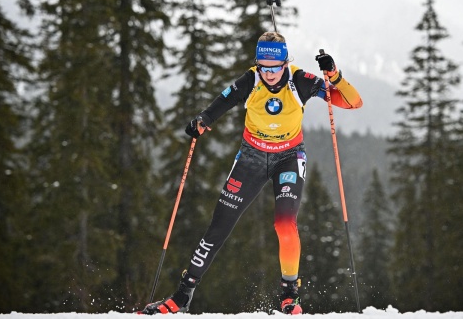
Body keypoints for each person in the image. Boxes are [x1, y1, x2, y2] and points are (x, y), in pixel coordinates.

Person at [139, 31, 362, 315]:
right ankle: (182, 296)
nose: (269, 74)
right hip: (251, 158)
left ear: (285, 62)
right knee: (218, 226)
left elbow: (353, 102)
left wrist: (335, 75)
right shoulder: (251, 79)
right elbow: (223, 101)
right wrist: (202, 121)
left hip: (289, 158)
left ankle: (289, 294)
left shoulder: (300, 81)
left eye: (275, 67)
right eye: (263, 67)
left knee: (284, 224)